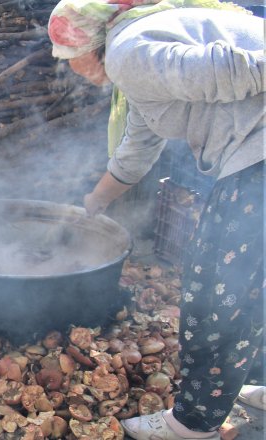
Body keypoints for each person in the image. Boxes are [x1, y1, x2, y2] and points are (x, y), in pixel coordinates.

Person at [47, 0, 264, 438]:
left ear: (92, 43)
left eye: (69, 59)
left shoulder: (128, 52)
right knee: (253, 281)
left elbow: (237, 68)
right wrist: (95, 203)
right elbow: (138, 148)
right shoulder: (138, 63)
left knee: (214, 294)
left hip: (258, 158)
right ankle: (258, 379)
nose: (70, 69)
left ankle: (193, 424)